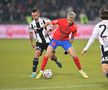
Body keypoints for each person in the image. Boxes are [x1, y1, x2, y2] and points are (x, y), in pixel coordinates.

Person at [36, 11, 88, 79]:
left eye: (71, 20)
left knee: (74, 56)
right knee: (47, 54)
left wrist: (69, 47)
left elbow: (72, 38)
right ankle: (41, 71)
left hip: (65, 41)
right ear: (67, 17)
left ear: (74, 20)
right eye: (69, 19)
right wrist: (42, 28)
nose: (70, 21)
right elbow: (49, 22)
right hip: (55, 40)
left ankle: (81, 70)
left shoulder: (74, 27)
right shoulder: (61, 21)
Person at [28, 8, 62, 78]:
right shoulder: (31, 24)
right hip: (39, 42)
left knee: (52, 57)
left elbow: (55, 25)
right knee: (36, 53)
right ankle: (34, 73)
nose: (34, 17)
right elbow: (30, 33)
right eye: (33, 16)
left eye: (36, 15)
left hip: (49, 42)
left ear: (39, 14)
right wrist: (32, 42)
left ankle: (56, 60)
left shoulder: (45, 20)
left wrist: (49, 30)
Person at [81, 8, 108, 78]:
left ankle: (106, 73)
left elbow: (92, 38)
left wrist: (85, 49)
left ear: (100, 16)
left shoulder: (98, 26)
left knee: (104, 64)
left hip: (105, 48)